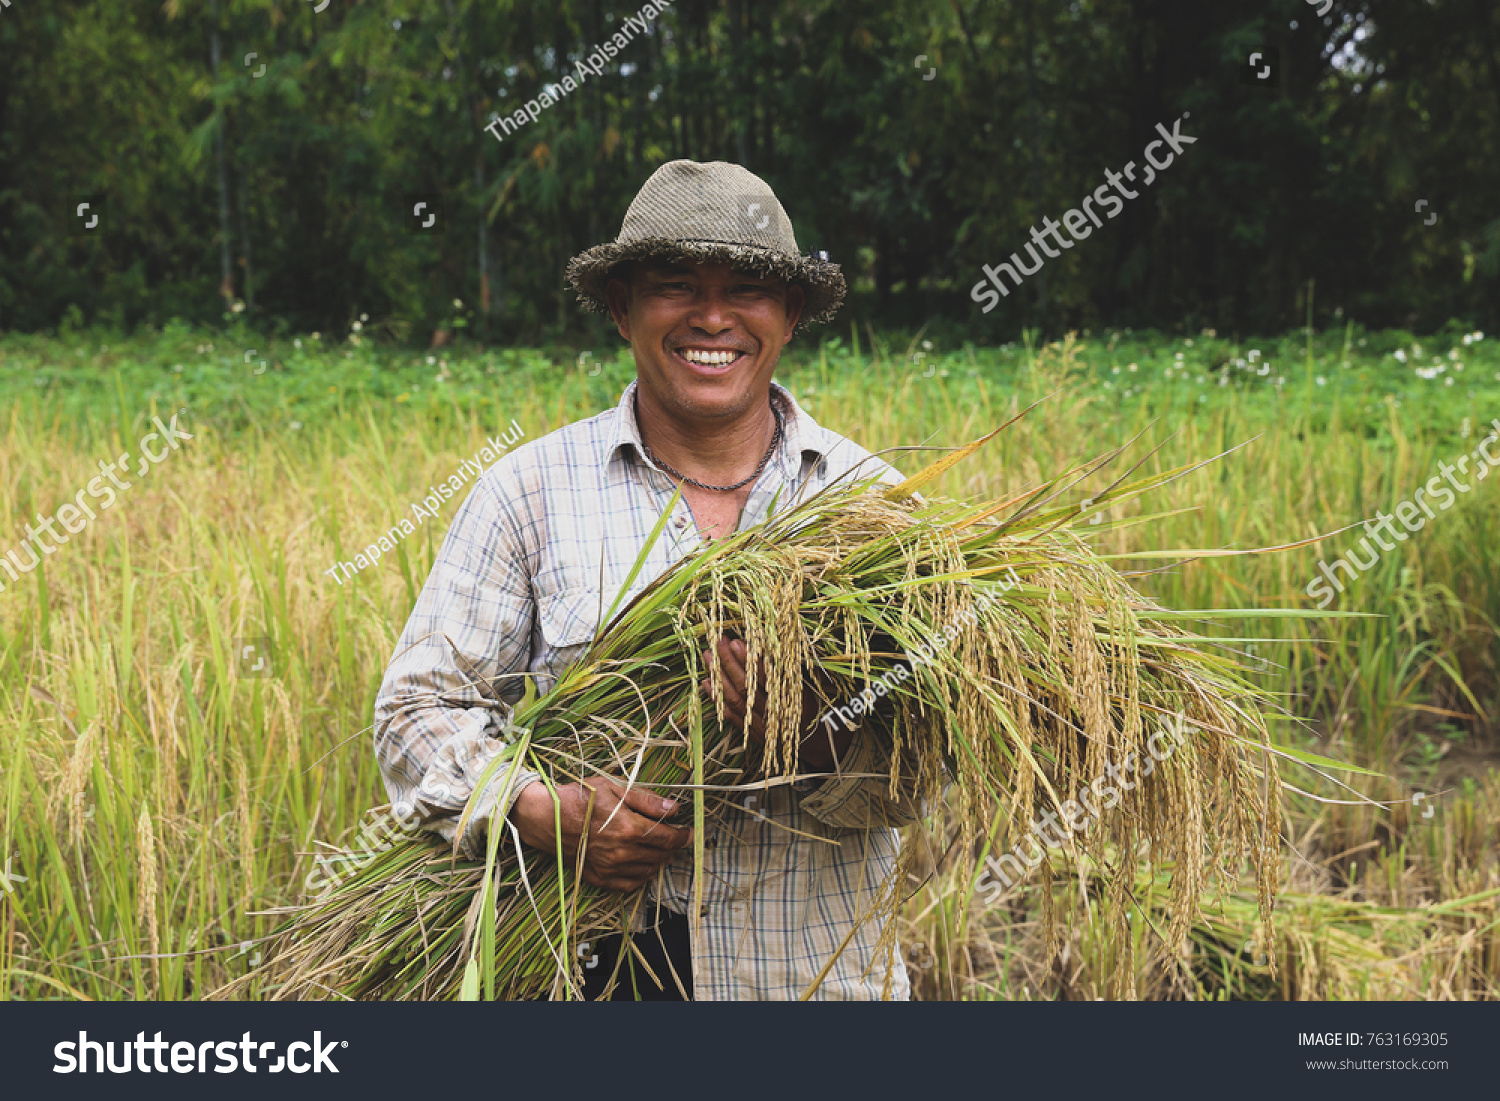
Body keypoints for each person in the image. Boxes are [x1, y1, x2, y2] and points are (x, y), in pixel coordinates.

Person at [374, 159, 919, 1001]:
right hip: (585, 975)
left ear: (793, 313)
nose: (712, 316)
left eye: (749, 286)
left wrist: (815, 733)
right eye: (675, 285)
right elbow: (415, 712)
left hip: (813, 980)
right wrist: (537, 809)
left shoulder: (873, 508)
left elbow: (923, 774)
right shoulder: (528, 493)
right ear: (623, 307)